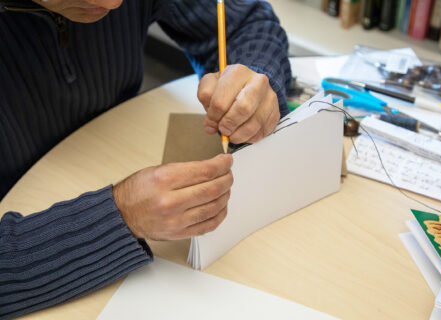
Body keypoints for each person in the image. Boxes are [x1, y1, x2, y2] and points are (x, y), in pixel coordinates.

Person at [0, 0, 291, 318]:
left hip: (117, 149)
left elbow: (246, 21)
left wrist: (252, 85)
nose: (112, 3)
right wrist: (119, 216)